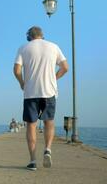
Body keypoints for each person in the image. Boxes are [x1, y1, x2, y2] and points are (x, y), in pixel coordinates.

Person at [13, 26, 68, 171]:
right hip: (49, 92)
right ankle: (48, 149)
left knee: (31, 125)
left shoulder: (24, 48)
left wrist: (22, 83)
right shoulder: (53, 46)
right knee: (49, 122)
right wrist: (54, 78)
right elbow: (65, 67)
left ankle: (32, 161)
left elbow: (16, 70)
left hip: (31, 93)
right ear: (42, 36)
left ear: (29, 36)